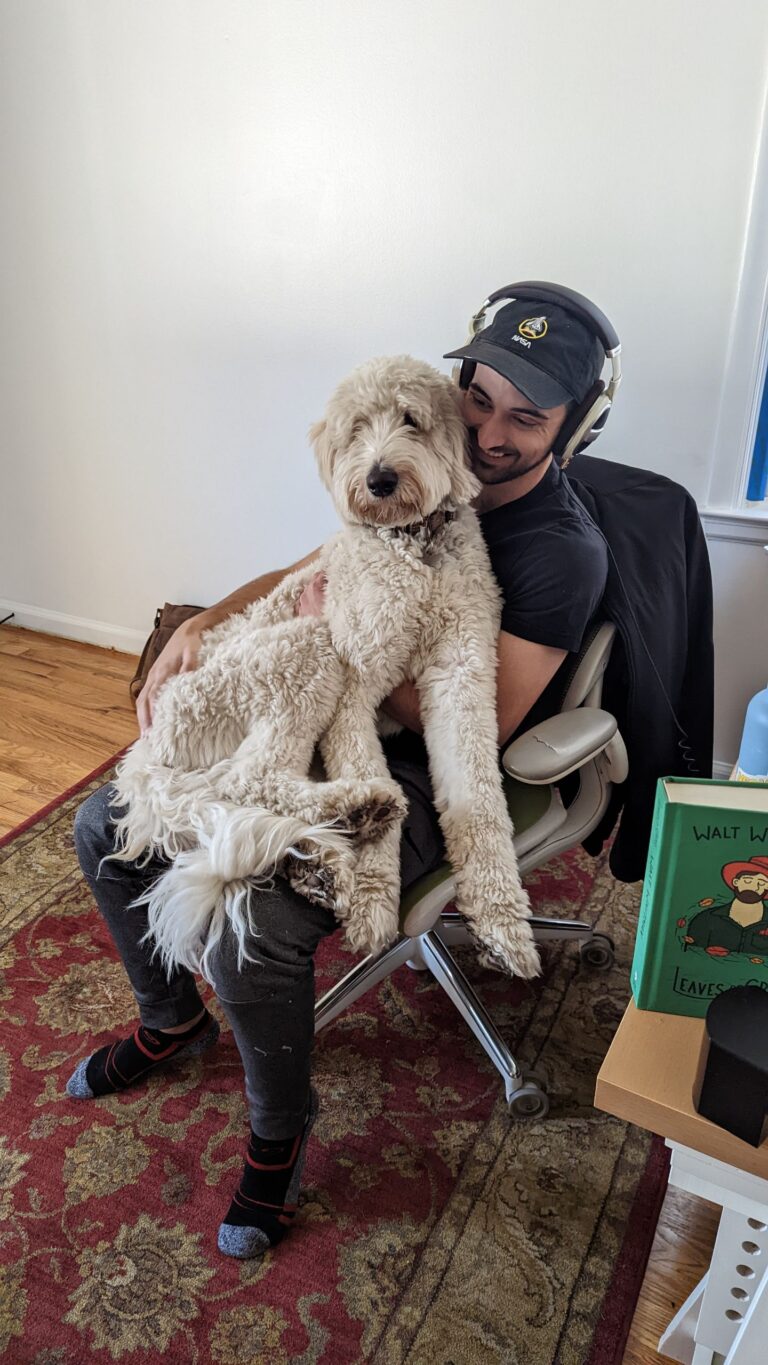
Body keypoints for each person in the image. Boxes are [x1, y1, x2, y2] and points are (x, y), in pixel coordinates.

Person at [67, 292, 609, 1260]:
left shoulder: (559, 549)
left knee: (253, 926)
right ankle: (170, 1021)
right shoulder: (406, 456)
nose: (487, 432)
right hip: (315, 715)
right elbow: (317, 560)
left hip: (425, 769)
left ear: (579, 424)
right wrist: (200, 625)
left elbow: (481, 719)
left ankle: (279, 1136)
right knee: (102, 826)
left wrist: (347, 638)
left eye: (525, 417)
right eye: (476, 398)